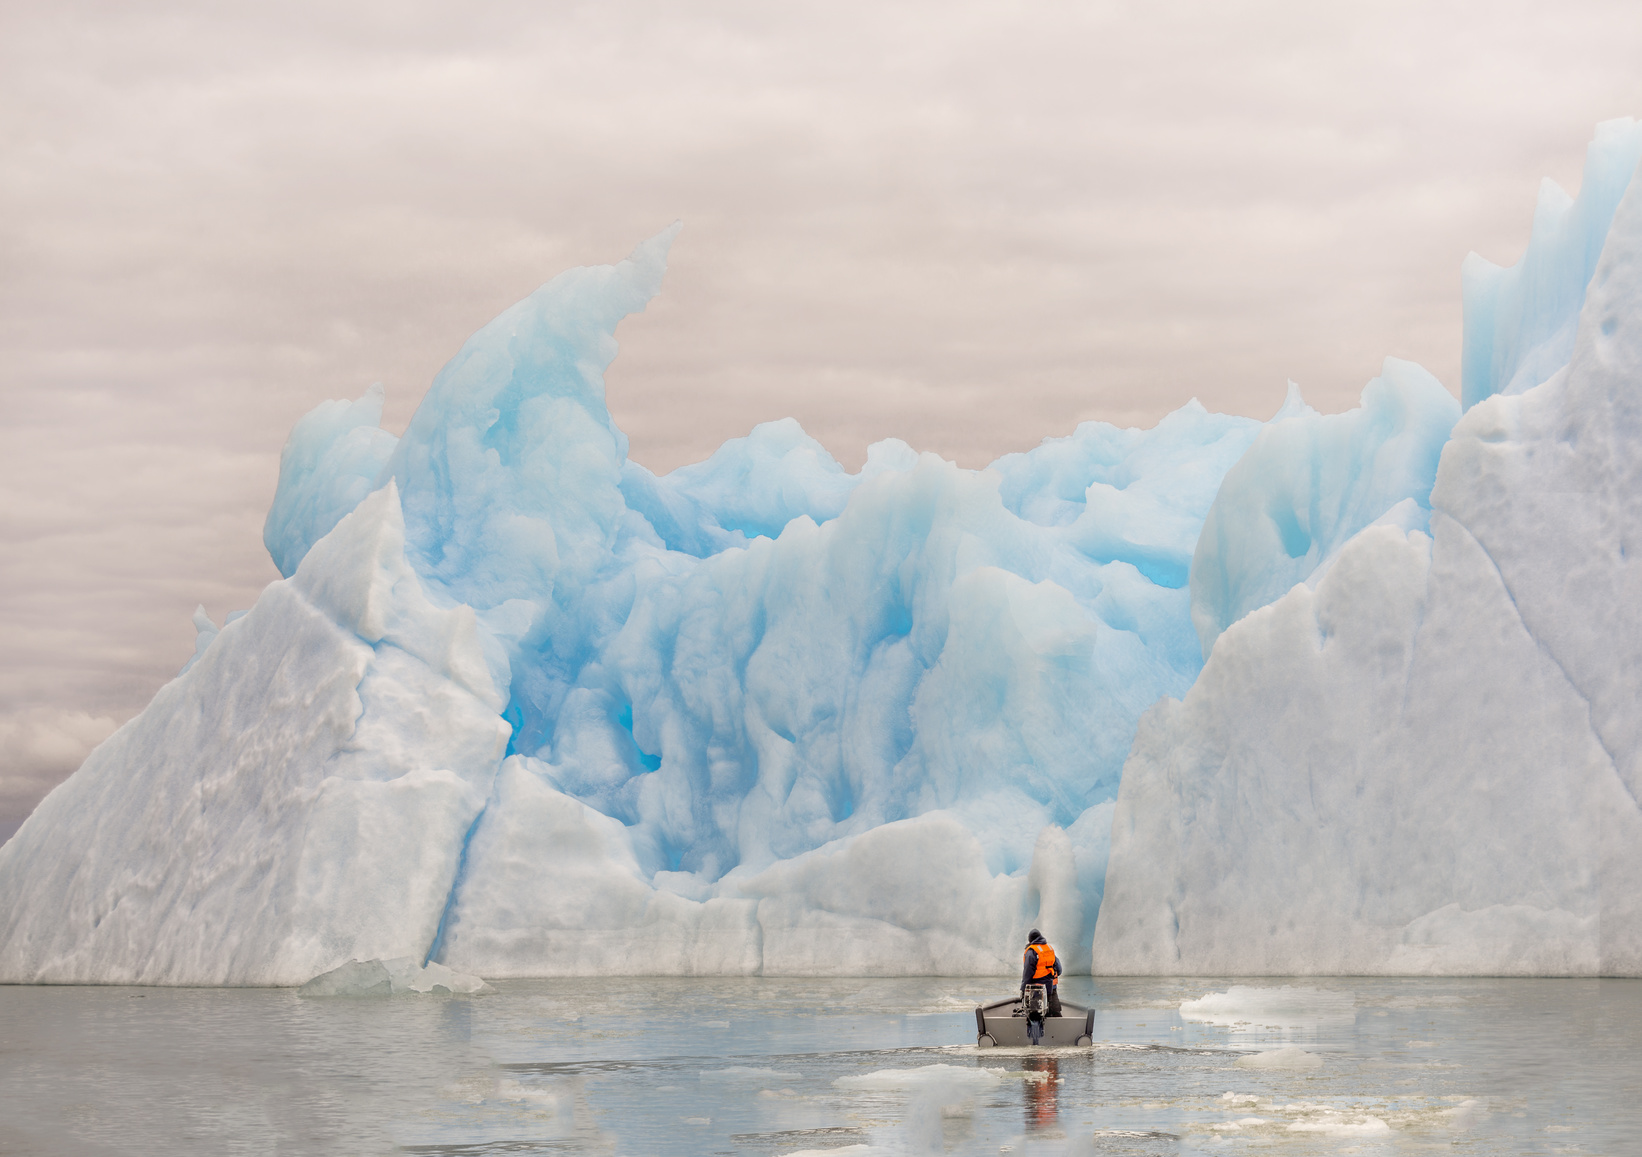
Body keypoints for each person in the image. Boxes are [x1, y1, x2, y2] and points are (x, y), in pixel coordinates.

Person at [1020, 928, 1062, 1019]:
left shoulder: (1031, 952)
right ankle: (1059, 1027)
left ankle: (1038, 1029)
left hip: (1037, 989)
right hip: (1051, 986)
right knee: (1054, 1012)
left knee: (1036, 1014)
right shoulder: (1048, 949)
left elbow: (1028, 972)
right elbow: (1059, 969)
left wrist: (1023, 989)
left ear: (1030, 940)